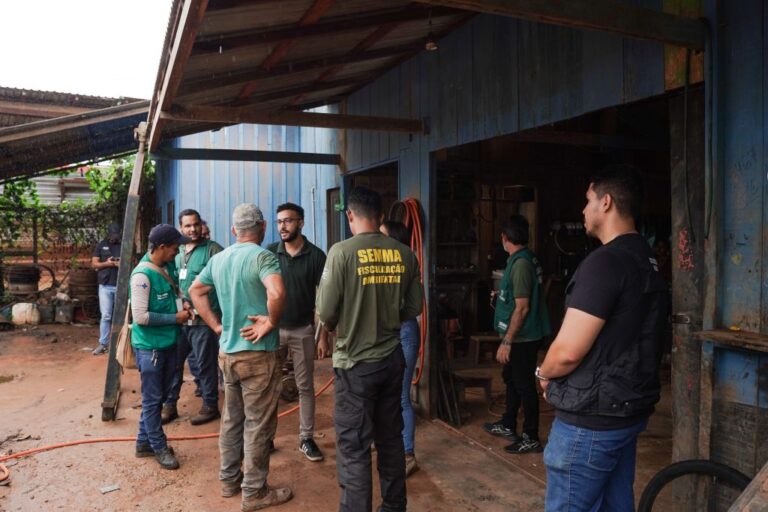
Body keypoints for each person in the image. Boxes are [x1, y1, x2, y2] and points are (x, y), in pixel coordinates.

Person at [538, 166, 668, 512]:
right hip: (623, 413)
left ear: (606, 202)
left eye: (588, 201)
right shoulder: (646, 259)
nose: (583, 210)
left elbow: (567, 351)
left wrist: (545, 373)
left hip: (590, 423)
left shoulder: (606, 262)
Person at [316, 187, 423, 512]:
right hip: (392, 360)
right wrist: (386, 314)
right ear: (380, 217)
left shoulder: (341, 252)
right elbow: (413, 307)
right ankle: (393, 506)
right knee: (390, 441)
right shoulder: (404, 253)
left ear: (350, 215)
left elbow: (326, 313)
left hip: (355, 365)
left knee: (354, 447)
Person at [189, 203, 292, 511]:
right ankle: (254, 492)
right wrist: (271, 322)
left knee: (232, 421)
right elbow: (277, 294)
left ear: (234, 230)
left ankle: (229, 481)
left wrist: (218, 326)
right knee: (258, 425)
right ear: (262, 228)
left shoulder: (218, 259)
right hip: (258, 355)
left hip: (228, 354)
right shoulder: (263, 256)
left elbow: (196, 291)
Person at [265, 202, 329, 462]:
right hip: (273, 329)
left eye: (288, 221)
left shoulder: (316, 255)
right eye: (279, 221)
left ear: (301, 222)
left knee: (305, 387)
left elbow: (324, 298)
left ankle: (306, 438)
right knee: (268, 386)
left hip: (303, 329)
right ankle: (266, 438)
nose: (283, 226)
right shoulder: (269, 253)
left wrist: (322, 335)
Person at [483, 215, 551, 454]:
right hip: (521, 335)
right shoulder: (521, 259)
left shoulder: (521, 264)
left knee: (524, 385)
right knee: (512, 379)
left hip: (524, 337)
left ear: (504, 237)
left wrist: (507, 341)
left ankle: (531, 436)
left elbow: (522, 307)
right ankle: (508, 423)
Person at [130, 224, 193, 470]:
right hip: (151, 348)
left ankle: (143, 443)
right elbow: (141, 317)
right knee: (153, 400)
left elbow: (171, 297)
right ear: (162, 247)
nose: (177, 252)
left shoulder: (164, 268)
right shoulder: (142, 276)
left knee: (156, 398)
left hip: (166, 343)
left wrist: (183, 304)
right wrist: (174, 319)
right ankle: (158, 446)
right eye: (174, 248)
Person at [161, 209, 223, 426]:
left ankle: (210, 405)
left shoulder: (213, 250)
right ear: (181, 228)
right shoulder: (176, 252)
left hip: (203, 322)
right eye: (188, 226)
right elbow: (174, 284)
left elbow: (222, 283)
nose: (193, 229)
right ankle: (170, 405)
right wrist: (179, 309)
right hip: (180, 320)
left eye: (196, 224)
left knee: (205, 365)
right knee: (174, 364)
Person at [379, 220, 420, 477]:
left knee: (401, 397)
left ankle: (407, 454)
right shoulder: (379, 263)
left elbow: (416, 306)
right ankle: (384, 442)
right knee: (382, 393)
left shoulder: (406, 264)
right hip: (385, 332)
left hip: (403, 331)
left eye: (382, 236)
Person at [91, 223, 122, 355]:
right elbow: (94, 264)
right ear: (108, 234)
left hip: (121, 285)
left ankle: (121, 344)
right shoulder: (101, 245)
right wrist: (107, 263)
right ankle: (103, 344)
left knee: (121, 316)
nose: (115, 238)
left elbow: (132, 262)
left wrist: (122, 264)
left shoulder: (123, 245)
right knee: (106, 315)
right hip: (105, 285)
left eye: (117, 235)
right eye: (113, 235)